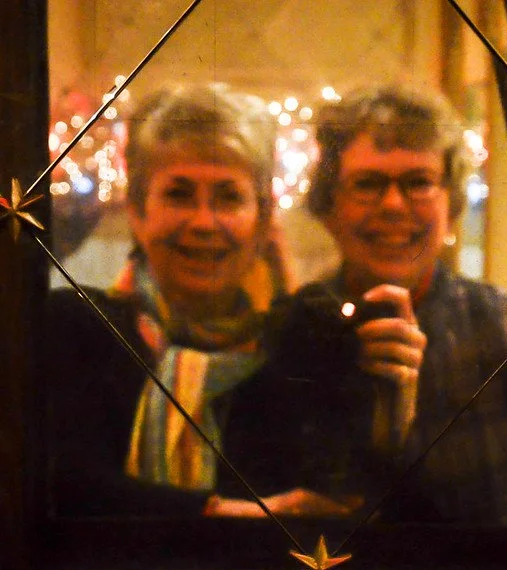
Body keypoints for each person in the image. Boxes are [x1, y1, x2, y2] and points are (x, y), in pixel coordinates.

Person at [48, 82, 358, 518]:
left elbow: (345, 495)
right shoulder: (75, 326)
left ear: (263, 220)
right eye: (179, 194)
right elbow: (66, 487)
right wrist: (242, 516)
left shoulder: (294, 351)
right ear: (137, 210)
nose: (204, 222)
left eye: (229, 197)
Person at [296, 83, 507, 526]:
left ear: (452, 207)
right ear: (328, 207)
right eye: (368, 184)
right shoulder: (295, 330)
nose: (393, 205)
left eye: (419, 182)